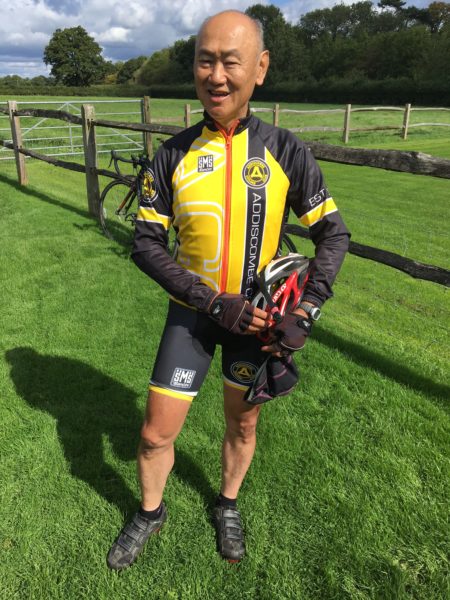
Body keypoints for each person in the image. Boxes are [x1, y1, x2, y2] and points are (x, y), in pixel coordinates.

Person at [107, 10, 350, 570]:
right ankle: (150, 512)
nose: (215, 76)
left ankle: (227, 504)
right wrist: (211, 301)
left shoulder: (286, 150)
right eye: (205, 61)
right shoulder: (172, 154)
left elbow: (333, 234)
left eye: (230, 62)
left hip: (257, 324)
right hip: (192, 318)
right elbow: (146, 244)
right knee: (154, 434)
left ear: (259, 69)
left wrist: (307, 309)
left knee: (243, 423)